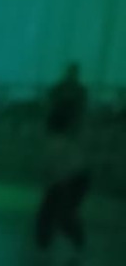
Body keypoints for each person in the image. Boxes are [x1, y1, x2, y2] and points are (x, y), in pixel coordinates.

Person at [34, 62, 90, 254]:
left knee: (59, 214)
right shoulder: (60, 142)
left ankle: (51, 244)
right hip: (73, 176)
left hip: (72, 178)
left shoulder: (56, 143)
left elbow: (55, 169)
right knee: (58, 213)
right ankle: (55, 244)